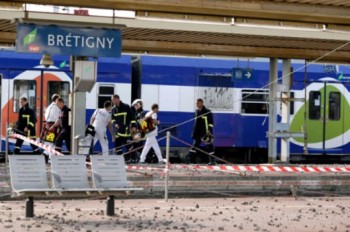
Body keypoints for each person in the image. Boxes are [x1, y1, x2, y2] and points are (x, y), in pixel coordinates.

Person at [186, 98, 216, 165]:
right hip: (197, 132)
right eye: (196, 103)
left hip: (206, 132)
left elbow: (211, 122)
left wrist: (209, 130)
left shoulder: (208, 112)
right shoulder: (197, 111)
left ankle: (212, 161)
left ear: (201, 103)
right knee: (195, 146)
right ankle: (190, 160)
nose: (197, 104)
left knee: (209, 146)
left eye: (198, 103)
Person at [41, 94, 61, 159]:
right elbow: (57, 118)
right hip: (53, 126)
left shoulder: (49, 107)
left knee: (50, 143)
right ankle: (50, 158)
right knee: (52, 143)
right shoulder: (56, 108)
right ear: (56, 100)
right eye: (59, 100)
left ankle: (45, 155)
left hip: (47, 126)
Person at [128, 99, 146, 163]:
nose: (135, 107)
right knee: (136, 146)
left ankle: (136, 159)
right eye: (134, 105)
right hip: (135, 133)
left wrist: (141, 133)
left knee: (135, 145)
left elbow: (143, 124)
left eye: (136, 105)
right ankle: (136, 159)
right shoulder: (136, 113)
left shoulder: (142, 113)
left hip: (139, 133)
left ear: (140, 105)